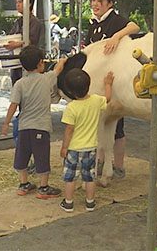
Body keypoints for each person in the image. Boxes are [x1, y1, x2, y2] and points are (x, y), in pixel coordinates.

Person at [86, 0, 140, 179]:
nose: (95, 4)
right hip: (97, 85)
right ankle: (102, 162)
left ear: (110, 3)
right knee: (101, 123)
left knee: (117, 126)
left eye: (100, 0)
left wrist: (117, 36)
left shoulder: (115, 20)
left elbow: (135, 26)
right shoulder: (93, 24)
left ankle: (118, 165)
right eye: (93, 0)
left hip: (114, 83)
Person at [1, 46, 66, 199]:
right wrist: (63, 60)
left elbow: (13, 105)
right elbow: (58, 69)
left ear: (23, 66)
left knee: (22, 155)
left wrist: (6, 123)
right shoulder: (47, 78)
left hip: (24, 126)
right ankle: (43, 187)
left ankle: (23, 185)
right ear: (40, 64)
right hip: (41, 127)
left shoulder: (19, 84)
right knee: (42, 156)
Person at [59, 68, 114, 212]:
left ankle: (68, 202)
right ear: (88, 85)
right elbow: (108, 98)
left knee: (70, 178)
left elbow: (69, 130)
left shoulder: (71, 108)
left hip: (74, 149)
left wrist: (64, 147)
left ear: (70, 91)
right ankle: (90, 202)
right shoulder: (96, 101)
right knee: (89, 177)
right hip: (90, 148)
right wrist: (108, 84)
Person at [4, 0, 42, 85]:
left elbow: (32, 40)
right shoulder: (18, 21)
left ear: (29, 3)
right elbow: (11, 35)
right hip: (16, 60)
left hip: (29, 62)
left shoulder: (34, 22)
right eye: (16, 2)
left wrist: (18, 43)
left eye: (20, 2)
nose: (17, 5)